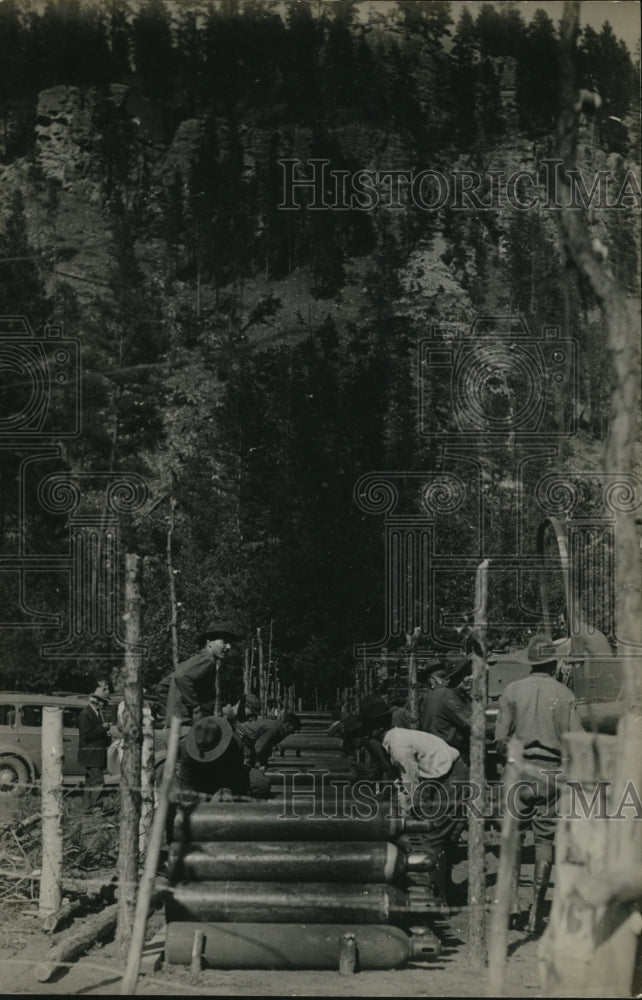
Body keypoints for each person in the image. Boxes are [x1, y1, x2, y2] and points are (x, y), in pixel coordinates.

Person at [494, 632, 583, 934]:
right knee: (545, 841)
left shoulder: (511, 691)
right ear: (553, 663)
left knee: (514, 837)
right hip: (552, 774)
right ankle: (535, 911)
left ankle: (513, 904)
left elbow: (499, 740)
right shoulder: (565, 695)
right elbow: (576, 741)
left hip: (518, 771)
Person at [360, 695, 468, 905]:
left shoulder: (398, 745)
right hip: (443, 775)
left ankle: (439, 897)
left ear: (375, 729)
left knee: (435, 836)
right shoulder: (394, 738)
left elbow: (412, 784)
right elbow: (404, 782)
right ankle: (446, 889)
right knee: (442, 835)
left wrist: (408, 813)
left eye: (368, 729)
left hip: (453, 775)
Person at [162, 621, 242, 724]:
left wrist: (174, 711)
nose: (229, 647)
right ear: (209, 643)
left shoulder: (190, 662)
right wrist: (195, 709)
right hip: (193, 726)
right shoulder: (207, 661)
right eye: (224, 642)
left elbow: (162, 687)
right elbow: (180, 677)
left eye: (230, 643)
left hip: (178, 725)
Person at [176, 715, 271, 800]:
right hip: (201, 779)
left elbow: (235, 773)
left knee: (261, 782)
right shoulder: (187, 750)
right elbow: (186, 783)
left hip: (226, 776)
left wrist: (227, 790)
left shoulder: (234, 744)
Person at [419, 657, 472, 763]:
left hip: (435, 754)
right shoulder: (448, 696)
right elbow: (474, 724)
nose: (472, 678)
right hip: (450, 756)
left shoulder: (430, 696)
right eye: (467, 674)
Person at [78, 685, 112, 813]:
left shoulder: (96, 714)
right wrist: (103, 728)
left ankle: (87, 807)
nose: (104, 705)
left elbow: (95, 733)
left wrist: (105, 735)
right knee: (97, 781)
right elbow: (87, 735)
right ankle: (96, 807)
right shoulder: (85, 714)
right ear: (96, 701)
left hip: (94, 754)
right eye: (103, 702)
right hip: (91, 755)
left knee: (90, 781)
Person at [236, 712, 302, 768]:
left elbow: (267, 747)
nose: (293, 732)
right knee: (247, 766)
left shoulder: (280, 730)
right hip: (242, 737)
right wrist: (262, 764)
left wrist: (264, 763)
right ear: (288, 725)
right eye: (294, 729)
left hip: (248, 739)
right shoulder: (274, 729)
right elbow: (258, 748)